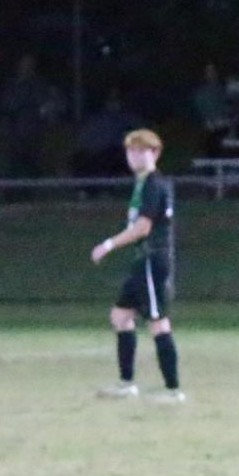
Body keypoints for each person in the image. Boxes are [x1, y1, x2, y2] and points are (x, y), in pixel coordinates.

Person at [89, 128, 183, 402]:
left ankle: (173, 390)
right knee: (120, 317)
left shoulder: (154, 184)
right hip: (142, 260)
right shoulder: (142, 184)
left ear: (154, 153)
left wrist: (108, 245)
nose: (133, 156)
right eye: (130, 151)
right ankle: (127, 383)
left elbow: (142, 227)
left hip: (153, 259)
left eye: (140, 150)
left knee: (158, 322)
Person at [0, 55, 60, 178]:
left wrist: (48, 115)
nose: (27, 68)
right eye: (24, 65)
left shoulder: (39, 86)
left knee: (32, 160)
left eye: (30, 65)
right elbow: (7, 108)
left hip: (35, 130)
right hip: (16, 130)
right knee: (17, 161)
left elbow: (47, 107)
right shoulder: (12, 86)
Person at [191, 64, 234, 156]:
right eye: (208, 72)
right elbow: (199, 113)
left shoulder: (224, 90)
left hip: (224, 127)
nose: (211, 74)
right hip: (208, 129)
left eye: (213, 71)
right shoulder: (200, 93)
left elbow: (230, 109)